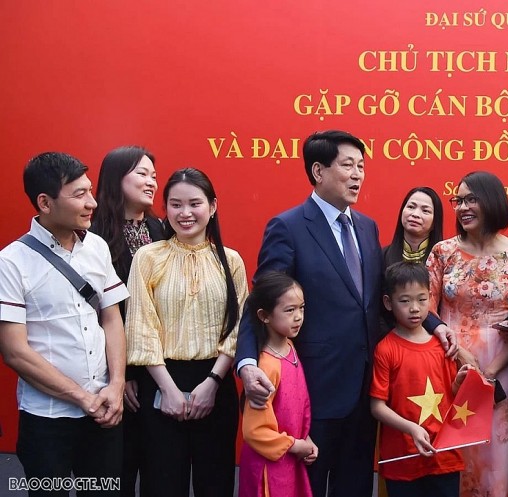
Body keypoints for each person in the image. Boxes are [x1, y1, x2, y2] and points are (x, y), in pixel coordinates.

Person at [235, 130, 457, 497]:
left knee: (355, 485)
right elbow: (261, 301)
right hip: (313, 387)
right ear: (319, 171)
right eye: (348, 165)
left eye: (362, 167)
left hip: (366, 388)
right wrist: (246, 362)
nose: (358, 175)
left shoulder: (367, 227)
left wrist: (434, 324)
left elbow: (384, 296)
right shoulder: (288, 227)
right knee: (307, 483)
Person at [0, 152, 129, 495]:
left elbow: (112, 318)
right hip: (47, 419)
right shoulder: (11, 262)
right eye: (79, 195)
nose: (92, 203)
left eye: (90, 191)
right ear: (44, 202)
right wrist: (82, 398)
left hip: (104, 413)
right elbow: (15, 352)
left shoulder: (97, 247)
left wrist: (116, 386)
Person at [126, 167, 248, 497]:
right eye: (176, 205)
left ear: (212, 206)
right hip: (162, 381)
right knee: (162, 482)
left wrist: (212, 383)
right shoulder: (148, 258)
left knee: (216, 482)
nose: (185, 213)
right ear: (165, 208)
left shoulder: (231, 261)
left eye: (195, 203)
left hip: (215, 382)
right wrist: (167, 389)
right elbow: (141, 327)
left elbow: (238, 328)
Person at [426, 170, 508, 497]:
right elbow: (427, 310)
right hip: (447, 360)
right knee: (448, 448)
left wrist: (486, 373)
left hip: (496, 371)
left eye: (471, 199)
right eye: (458, 200)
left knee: (491, 456)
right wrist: (461, 356)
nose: (462, 207)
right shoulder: (442, 253)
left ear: (492, 201)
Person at [90, 145, 163, 497]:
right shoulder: (93, 235)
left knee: (158, 468)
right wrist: (123, 375)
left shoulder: (160, 228)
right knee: (117, 472)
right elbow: (100, 314)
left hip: (157, 367)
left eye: (153, 175)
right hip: (111, 375)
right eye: (142, 174)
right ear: (116, 178)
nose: (152, 181)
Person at [371, 262, 470, 497]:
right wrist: (411, 429)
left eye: (422, 299)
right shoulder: (386, 349)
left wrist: (460, 382)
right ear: (388, 303)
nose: (414, 308)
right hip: (403, 457)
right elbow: (377, 406)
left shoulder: (443, 345)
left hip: (444, 454)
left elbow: (450, 394)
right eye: (404, 301)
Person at [239, 272, 317, 497]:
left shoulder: (290, 348)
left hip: (290, 458)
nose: (298, 317)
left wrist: (305, 438)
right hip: (267, 466)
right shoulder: (265, 366)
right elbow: (255, 431)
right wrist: (295, 445)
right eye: (289, 310)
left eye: (301, 308)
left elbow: (299, 404)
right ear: (264, 315)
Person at [383, 187, 445, 267]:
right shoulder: (382, 257)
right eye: (411, 207)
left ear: (435, 221)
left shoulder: (444, 259)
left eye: (425, 211)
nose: (415, 214)